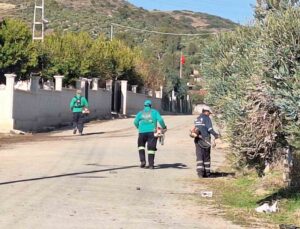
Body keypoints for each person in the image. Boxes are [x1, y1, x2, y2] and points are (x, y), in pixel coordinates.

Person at [134, 100, 167, 169]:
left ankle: (143, 161)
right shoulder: (154, 112)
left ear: (144, 106)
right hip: (152, 132)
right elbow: (160, 120)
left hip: (141, 132)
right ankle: (151, 165)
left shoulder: (140, 113)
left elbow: (135, 122)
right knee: (151, 149)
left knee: (141, 147)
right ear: (150, 106)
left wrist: (139, 127)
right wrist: (164, 127)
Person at [192, 105, 219, 178]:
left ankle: (200, 173)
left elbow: (196, 128)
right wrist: (216, 135)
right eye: (209, 113)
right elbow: (209, 129)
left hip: (197, 139)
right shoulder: (207, 118)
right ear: (206, 112)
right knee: (206, 156)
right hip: (205, 139)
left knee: (199, 155)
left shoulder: (197, 118)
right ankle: (207, 173)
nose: (209, 114)